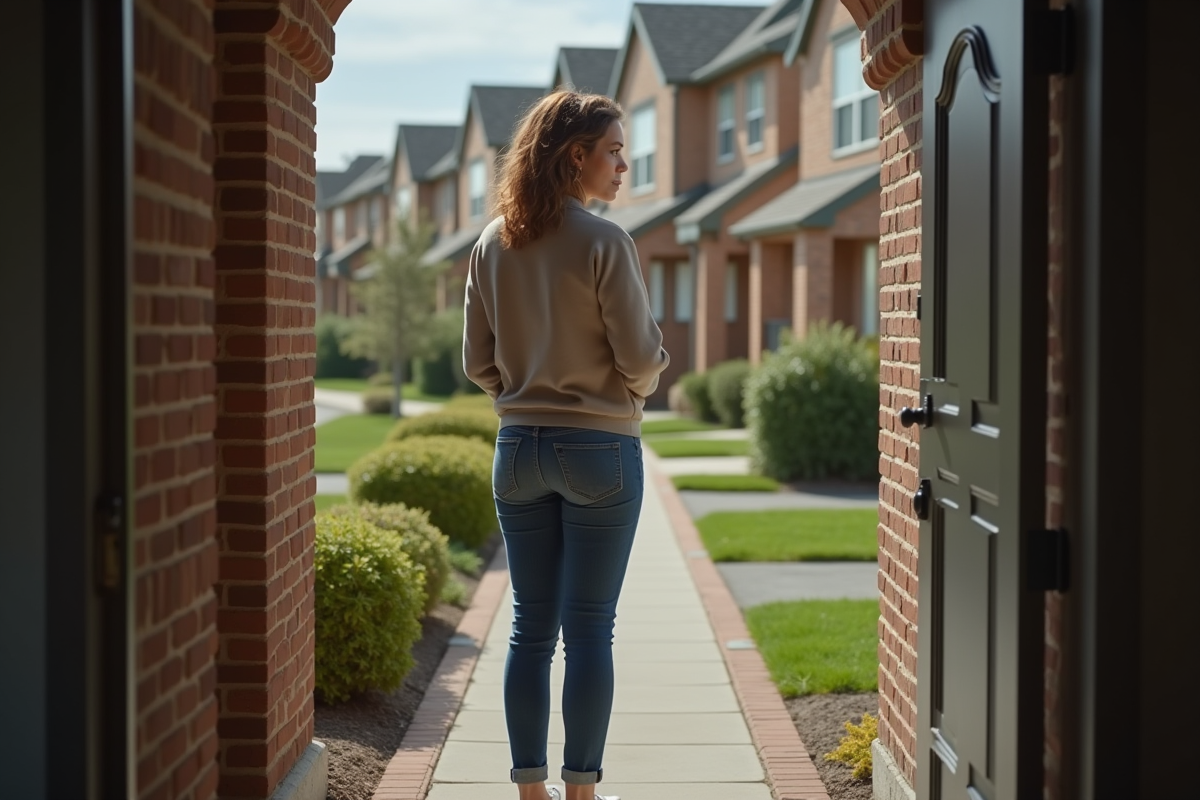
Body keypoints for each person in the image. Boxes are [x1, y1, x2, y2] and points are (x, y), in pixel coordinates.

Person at [462, 90, 670, 800]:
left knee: (529, 630)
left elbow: (477, 361)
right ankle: (580, 792)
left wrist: (517, 401)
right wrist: (630, 398)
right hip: (600, 454)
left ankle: (530, 791)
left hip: (516, 451)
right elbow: (640, 356)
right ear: (575, 155)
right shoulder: (607, 242)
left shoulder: (491, 241)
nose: (623, 164)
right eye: (614, 151)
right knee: (588, 631)